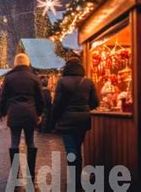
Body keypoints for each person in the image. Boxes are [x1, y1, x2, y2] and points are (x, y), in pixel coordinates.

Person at [52, 57, 99, 190]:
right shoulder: (88, 82)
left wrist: (54, 120)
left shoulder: (62, 82)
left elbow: (57, 104)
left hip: (66, 120)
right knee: (78, 148)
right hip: (83, 121)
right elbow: (95, 102)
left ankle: (75, 181)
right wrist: (84, 108)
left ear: (67, 67)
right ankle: (78, 179)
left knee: (71, 150)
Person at [0, 53, 44, 183]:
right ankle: (31, 173)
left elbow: (3, 98)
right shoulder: (34, 77)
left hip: (14, 113)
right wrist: (39, 113)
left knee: (14, 142)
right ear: (27, 62)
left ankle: (15, 173)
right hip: (30, 113)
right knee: (30, 142)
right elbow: (40, 98)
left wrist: (3, 112)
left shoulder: (9, 78)